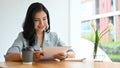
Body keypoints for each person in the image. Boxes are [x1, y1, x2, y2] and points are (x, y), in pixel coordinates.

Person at [5, 2, 75, 61]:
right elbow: (8, 56)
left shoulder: (54, 36)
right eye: (36, 20)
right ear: (30, 21)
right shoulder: (23, 36)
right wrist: (29, 56)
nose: (41, 23)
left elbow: (72, 52)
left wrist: (66, 55)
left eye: (44, 19)